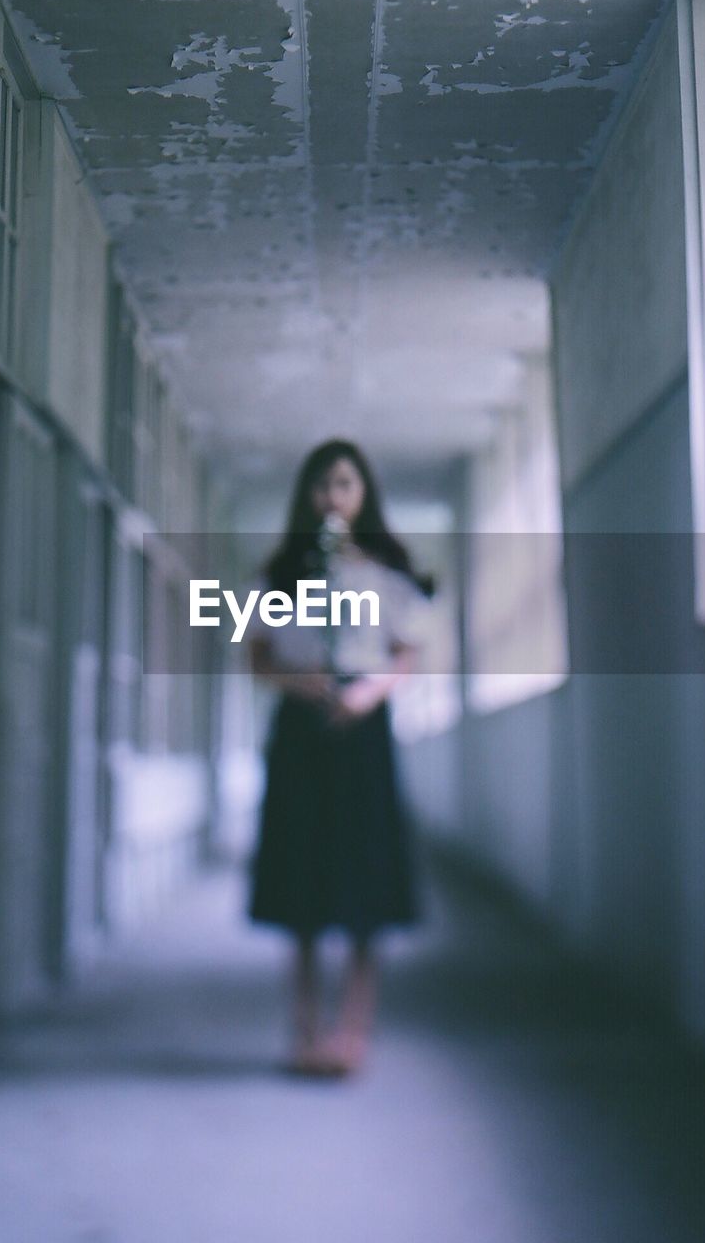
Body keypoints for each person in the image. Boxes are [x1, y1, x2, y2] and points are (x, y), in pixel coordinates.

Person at [244, 438, 433, 1078]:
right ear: (306, 495)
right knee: (302, 881)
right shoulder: (280, 573)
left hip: (363, 731)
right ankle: (304, 1029)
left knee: (364, 883)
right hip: (303, 730)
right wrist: (305, 686)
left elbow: (406, 653)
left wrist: (367, 693)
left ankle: (352, 1032)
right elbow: (260, 659)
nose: (333, 496)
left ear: (363, 495)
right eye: (322, 485)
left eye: (345, 484)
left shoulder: (387, 571)